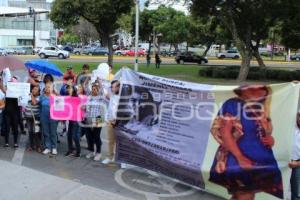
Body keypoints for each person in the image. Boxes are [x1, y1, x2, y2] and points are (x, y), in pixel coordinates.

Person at [209, 85, 283, 200]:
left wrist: (271, 139)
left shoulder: (260, 108)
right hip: (239, 159)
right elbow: (224, 132)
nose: (257, 91)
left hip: (261, 162)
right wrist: (240, 158)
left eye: (261, 88)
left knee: (244, 195)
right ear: (242, 90)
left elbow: (263, 132)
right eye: (252, 88)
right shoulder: (233, 104)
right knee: (245, 195)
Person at [84, 82, 107, 161]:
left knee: (96, 136)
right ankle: (91, 151)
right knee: (89, 136)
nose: (93, 91)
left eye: (95, 89)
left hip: (98, 119)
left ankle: (98, 152)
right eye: (92, 89)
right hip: (89, 119)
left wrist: (100, 83)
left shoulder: (101, 98)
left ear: (98, 90)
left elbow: (103, 92)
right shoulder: (89, 97)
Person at [102, 80, 120, 165]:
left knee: (120, 142)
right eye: (112, 87)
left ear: (119, 87)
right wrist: (107, 119)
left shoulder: (123, 97)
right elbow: (109, 109)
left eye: (114, 87)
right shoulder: (112, 96)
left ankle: (121, 159)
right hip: (110, 122)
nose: (112, 88)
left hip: (120, 122)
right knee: (110, 140)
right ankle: (110, 157)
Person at [40, 83, 58, 155]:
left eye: (49, 87)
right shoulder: (42, 97)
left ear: (52, 89)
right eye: (46, 87)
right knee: (46, 133)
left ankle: (54, 147)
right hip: (44, 117)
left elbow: (60, 107)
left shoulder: (55, 97)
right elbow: (37, 104)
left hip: (53, 117)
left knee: (53, 133)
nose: (47, 88)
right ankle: (48, 147)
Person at [64, 85, 81, 157]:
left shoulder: (77, 98)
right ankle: (70, 150)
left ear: (73, 89)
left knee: (75, 136)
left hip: (76, 119)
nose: (68, 90)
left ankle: (78, 152)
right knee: (69, 135)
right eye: (67, 88)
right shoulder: (67, 97)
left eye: (69, 88)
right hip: (70, 119)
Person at [24, 86, 41, 152]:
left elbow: (34, 102)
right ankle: (31, 146)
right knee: (30, 132)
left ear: (38, 92)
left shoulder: (39, 98)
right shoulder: (27, 96)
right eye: (33, 89)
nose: (34, 90)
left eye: (36, 89)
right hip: (28, 117)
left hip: (35, 118)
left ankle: (38, 146)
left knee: (36, 132)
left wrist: (31, 95)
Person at [289, 112, 300, 200]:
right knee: (279, 190)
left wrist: (297, 163)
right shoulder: (290, 128)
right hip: (284, 162)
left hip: (297, 164)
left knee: (296, 192)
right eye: (299, 115)